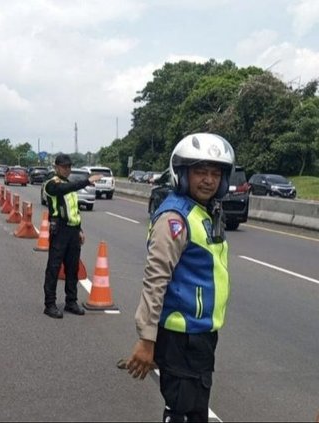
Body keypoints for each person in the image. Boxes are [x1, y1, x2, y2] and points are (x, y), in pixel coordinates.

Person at [125, 133, 235, 422]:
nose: (208, 180)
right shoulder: (176, 217)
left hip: (199, 335)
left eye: (215, 173)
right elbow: (155, 279)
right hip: (181, 337)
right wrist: (146, 339)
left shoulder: (203, 213)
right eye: (200, 171)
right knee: (183, 413)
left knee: (194, 409)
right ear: (183, 174)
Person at [43, 154, 102, 318]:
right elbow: (64, 189)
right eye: (64, 167)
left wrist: (80, 229)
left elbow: (74, 210)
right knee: (54, 268)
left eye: (69, 166)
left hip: (73, 231)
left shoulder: (69, 185)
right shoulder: (52, 184)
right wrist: (88, 181)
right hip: (59, 230)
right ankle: (50, 304)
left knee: (72, 268)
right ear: (56, 167)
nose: (67, 169)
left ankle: (71, 301)